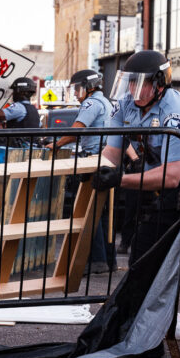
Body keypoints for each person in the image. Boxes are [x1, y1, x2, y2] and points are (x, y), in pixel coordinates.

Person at [96, 50, 180, 356]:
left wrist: (118, 179)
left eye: (142, 85)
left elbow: (173, 176)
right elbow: (110, 153)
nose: (133, 91)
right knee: (147, 254)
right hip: (157, 181)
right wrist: (90, 172)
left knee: (148, 256)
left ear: (160, 84)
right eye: (130, 83)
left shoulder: (178, 112)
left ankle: (149, 341)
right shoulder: (125, 103)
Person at [45, 69, 115, 273]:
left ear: (88, 86)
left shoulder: (91, 103)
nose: (76, 93)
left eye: (77, 88)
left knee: (88, 211)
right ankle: (106, 261)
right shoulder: (106, 101)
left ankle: (95, 261)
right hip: (104, 159)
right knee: (100, 212)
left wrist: (57, 145)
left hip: (93, 160)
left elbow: (78, 128)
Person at [0, 77, 41, 146]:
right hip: (29, 148)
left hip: (18, 150)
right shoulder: (33, 109)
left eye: (14, 91)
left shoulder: (19, 107)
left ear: (21, 92)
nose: (12, 94)